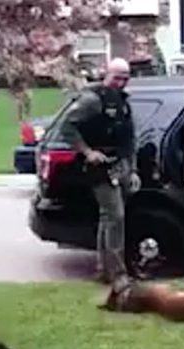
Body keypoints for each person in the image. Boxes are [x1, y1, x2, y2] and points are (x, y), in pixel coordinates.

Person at [60, 58, 141, 286]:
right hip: (98, 167)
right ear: (106, 74)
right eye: (117, 77)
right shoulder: (92, 101)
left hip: (121, 165)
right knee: (115, 216)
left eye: (125, 78)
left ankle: (105, 268)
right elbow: (67, 127)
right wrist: (87, 152)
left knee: (110, 219)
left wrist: (132, 170)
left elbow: (129, 139)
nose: (121, 82)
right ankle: (117, 273)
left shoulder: (123, 103)